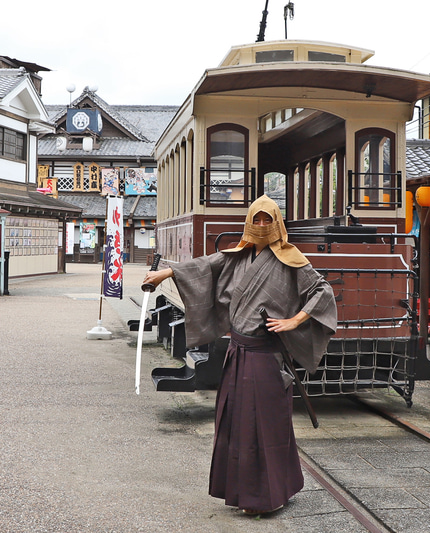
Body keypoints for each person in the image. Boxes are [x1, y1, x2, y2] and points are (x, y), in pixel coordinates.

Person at [143, 195, 337, 516]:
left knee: (266, 426)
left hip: (265, 357)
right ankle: (241, 491)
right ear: (248, 222)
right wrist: (165, 273)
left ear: (277, 223)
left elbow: (322, 291)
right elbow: (203, 265)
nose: (261, 226)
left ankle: (267, 496)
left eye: (267, 220)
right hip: (237, 352)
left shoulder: (291, 258)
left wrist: (294, 320)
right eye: (256, 220)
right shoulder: (237, 255)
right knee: (235, 423)